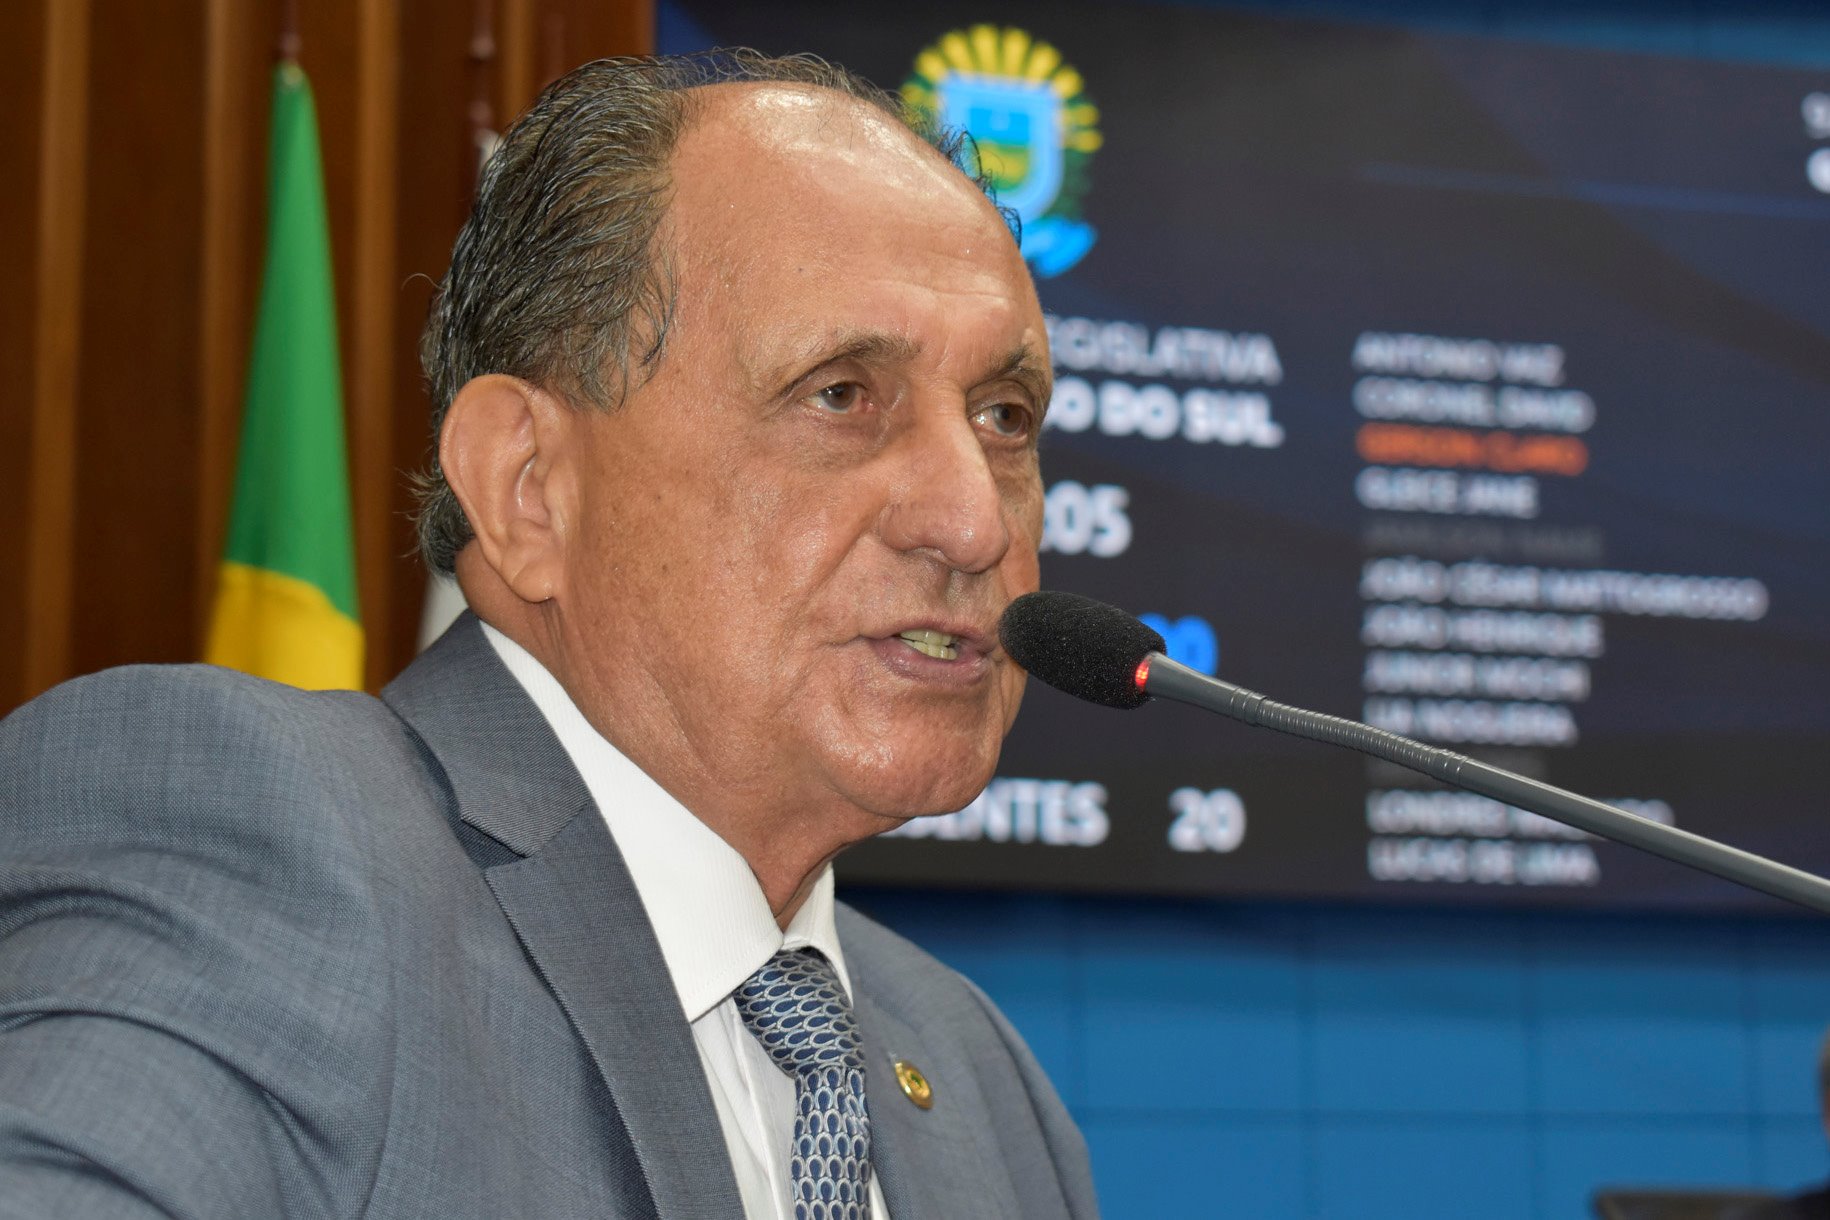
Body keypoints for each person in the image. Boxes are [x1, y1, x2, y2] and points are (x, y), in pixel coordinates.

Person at [0, 51, 1097, 1220]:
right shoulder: (267, 851)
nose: (974, 520)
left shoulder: (980, 1078)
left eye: (1004, 416)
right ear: (529, 488)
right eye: (839, 393)